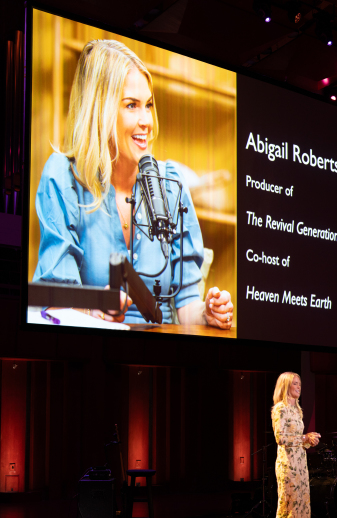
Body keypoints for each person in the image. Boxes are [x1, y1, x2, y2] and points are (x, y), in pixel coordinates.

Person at [33, 39, 233, 328]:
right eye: (131, 105)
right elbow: (57, 302)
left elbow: (187, 306)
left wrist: (207, 312)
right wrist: (95, 311)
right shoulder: (63, 176)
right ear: (99, 110)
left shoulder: (171, 183)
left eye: (149, 105)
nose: (146, 120)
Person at [271, 372, 320, 518]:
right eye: (295, 384)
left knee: (300, 509)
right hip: (287, 465)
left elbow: (298, 440)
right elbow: (281, 439)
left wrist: (309, 441)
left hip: (300, 464)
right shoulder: (280, 409)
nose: (299, 387)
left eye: (300, 383)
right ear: (285, 386)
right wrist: (303, 438)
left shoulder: (297, 409)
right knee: (289, 508)